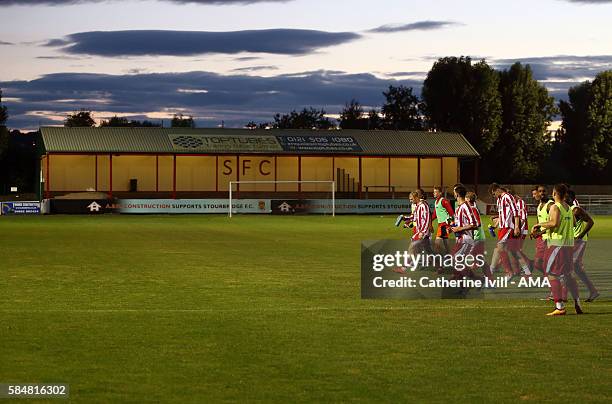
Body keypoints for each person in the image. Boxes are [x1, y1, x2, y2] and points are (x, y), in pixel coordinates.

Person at [534, 184, 582, 316]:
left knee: (550, 273)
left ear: (555, 193)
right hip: (568, 245)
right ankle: (577, 302)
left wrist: (539, 224)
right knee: (568, 274)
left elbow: (554, 223)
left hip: (557, 244)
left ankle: (559, 307)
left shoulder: (556, 206)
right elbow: (572, 223)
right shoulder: (568, 207)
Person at [567, 190, 599, 302]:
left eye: (565, 196)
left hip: (578, 241)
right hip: (571, 241)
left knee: (567, 265)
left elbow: (591, 222)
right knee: (576, 268)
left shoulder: (576, 210)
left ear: (570, 198)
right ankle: (593, 291)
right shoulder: (566, 209)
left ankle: (560, 294)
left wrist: (580, 236)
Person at [489, 183, 521, 278]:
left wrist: (516, 226)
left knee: (500, 248)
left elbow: (515, 211)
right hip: (502, 227)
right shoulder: (499, 200)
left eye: (493, 194)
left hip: (508, 227)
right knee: (506, 250)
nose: (494, 196)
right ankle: (521, 269)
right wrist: (495, 226)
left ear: (497, 190)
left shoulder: (507, 197)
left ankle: (509, 272)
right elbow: (501, 215)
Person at [450, 186, 478, 278]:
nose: (453, 194)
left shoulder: (466, 207)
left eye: (454, 192)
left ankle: (460, 281)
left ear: (457, 194)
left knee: (455, 259)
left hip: (466, 239)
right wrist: (452, 228)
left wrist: (459, 229)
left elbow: (474, 224)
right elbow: (460, 224)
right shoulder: (459, 208)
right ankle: (473, 280)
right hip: (460, 239)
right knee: (457, 261)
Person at [466, 191, 493, 281]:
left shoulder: (472, 209)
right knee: (479, 260)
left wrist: (467, 227)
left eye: (466, 198)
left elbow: (477, 223)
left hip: (477, 237)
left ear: (468, 199)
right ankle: (489, 279)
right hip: (478, 237)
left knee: (466, 258)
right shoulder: (472, 208)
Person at [432, 186, 455, 255]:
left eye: (436, 192)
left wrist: (450, 224)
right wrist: (429, 220)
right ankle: (450, 256)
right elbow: (435, 214)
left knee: (437, 244)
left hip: (444, 225)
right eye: (434, 192)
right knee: (446, 244)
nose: (434, 193)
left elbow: (451, 213)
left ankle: (437, 260)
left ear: (440, 193)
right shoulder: (436, 202)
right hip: (441, 224)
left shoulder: (444, 201)